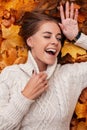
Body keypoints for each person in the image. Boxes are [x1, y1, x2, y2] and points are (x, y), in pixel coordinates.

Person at [0, 1, 87, 130]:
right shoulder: (10, 74)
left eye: (58, 38)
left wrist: (77, 37)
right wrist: (25, 97)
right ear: (30, 41)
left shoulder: (70, 75)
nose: (55, 42)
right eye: (47, 36)